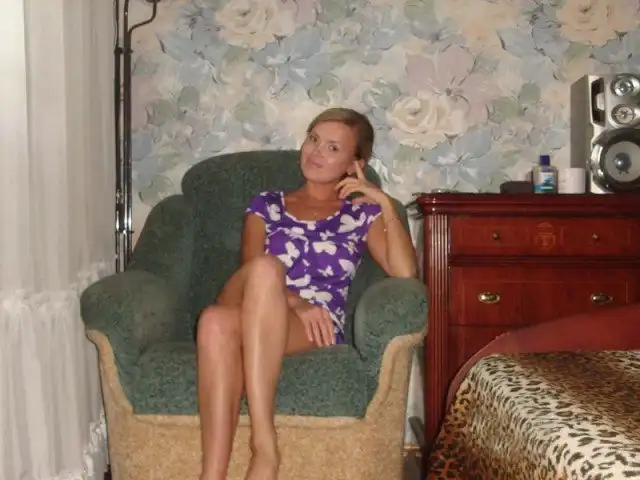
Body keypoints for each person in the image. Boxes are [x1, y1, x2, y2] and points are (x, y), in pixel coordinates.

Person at [196, 107, 418, 480]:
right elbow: (250, 266)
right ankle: (265, 447)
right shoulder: (266, 203)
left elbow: (405, 271)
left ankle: (215, 474)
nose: (316, 152)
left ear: (354, 164)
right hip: (254, 296)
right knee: (265, 269)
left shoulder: (360, 214)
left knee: (214, 323)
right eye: (313, 139)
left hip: (314, 326)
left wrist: (383, 203)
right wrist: (296, 302)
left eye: (333, 148)